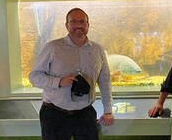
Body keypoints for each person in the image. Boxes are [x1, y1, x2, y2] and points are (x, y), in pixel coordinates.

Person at [29, 8, 114, 140]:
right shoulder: (52, 47)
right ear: (67, 25)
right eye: (73, 21)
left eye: (82, 22)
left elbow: (105, 80)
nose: (79, 25)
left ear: (88, 25)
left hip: (85, 113)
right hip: (54, 114)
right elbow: (34, 77)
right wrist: (59, 81)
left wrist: (108, 110)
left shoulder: (98, 50)